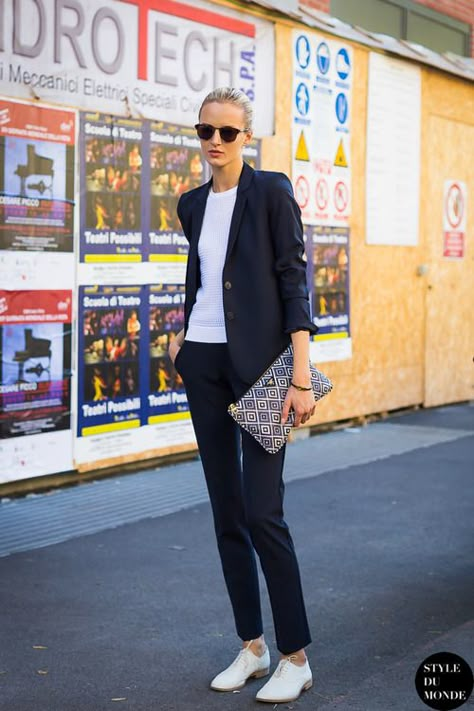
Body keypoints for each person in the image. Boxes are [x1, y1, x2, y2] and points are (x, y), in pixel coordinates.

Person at [168, 87, 318, 704]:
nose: (214, 142)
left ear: (245, 138)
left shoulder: (272, 192)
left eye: (227, 133)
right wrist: (182, 341)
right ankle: (252, 647)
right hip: (202, 361)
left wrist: (301, 377)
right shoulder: (191, 203)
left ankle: (296, 656)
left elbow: (293, 280)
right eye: (206, 130)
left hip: (262, 369)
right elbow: (201, 278)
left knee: (263, 513)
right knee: (226, 512)